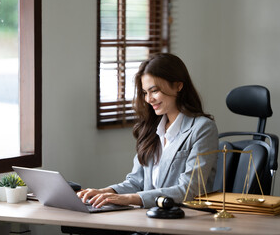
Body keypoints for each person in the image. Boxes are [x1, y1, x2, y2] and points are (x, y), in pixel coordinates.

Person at [77, 53, 218, 209]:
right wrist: (104, 192)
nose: (148, 99)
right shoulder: (152, 128)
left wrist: (129, 198)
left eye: (154, 91)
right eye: (145, 92)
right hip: (147, 218)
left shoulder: (202, 128)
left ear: (178, 86)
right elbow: (136, 181)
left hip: (181, 219)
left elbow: (189, 189)